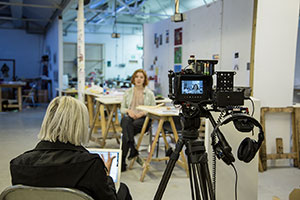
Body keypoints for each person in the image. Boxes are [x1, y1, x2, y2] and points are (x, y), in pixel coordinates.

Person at [10, 96, 132, 200]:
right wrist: (106, 176)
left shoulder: (19, 164)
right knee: (123, 189)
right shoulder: (90, 164)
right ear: (80, 126)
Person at [120, 69, 156, 171]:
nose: (138, 79)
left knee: (126, 129)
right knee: (126, 122)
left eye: (141, 77)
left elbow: (153, 109)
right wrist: (128, 111)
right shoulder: (128, 92)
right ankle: (132, 148)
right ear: (133, 79)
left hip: (144, 120)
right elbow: (122, 108)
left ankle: (123, 160)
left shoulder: (149, 93)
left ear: (144, 79)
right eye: (136, 77)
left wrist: (143, 113)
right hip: (130, 118)